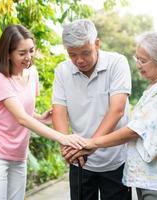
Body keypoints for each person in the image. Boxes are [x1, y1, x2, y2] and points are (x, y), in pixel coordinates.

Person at [72, 32, 157, 200]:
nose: (137, 65)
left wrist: (92, 143)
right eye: (137, 58)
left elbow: (134, 131)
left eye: (143, 60)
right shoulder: (155, 87)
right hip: (151, 180)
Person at [0, 24, 87, 200]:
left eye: (31, 50)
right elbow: (21, 118)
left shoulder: (32, 73)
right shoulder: (0, 79)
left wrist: (42, 118)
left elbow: (25, 113)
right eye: (22, 53)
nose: (28, 57)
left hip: (18, 154)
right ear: (8, 54)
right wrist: (63, 138)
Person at [52, 19, 132, 200]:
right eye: (72, 55)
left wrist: (91, 145)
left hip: (116, 160)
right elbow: (59, 112)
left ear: (97, 44)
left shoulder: (117, 63)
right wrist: (66, 146)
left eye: (85, 53)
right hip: (79, 160)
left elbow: (117, 110)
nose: (79, 60)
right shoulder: (62, 71)